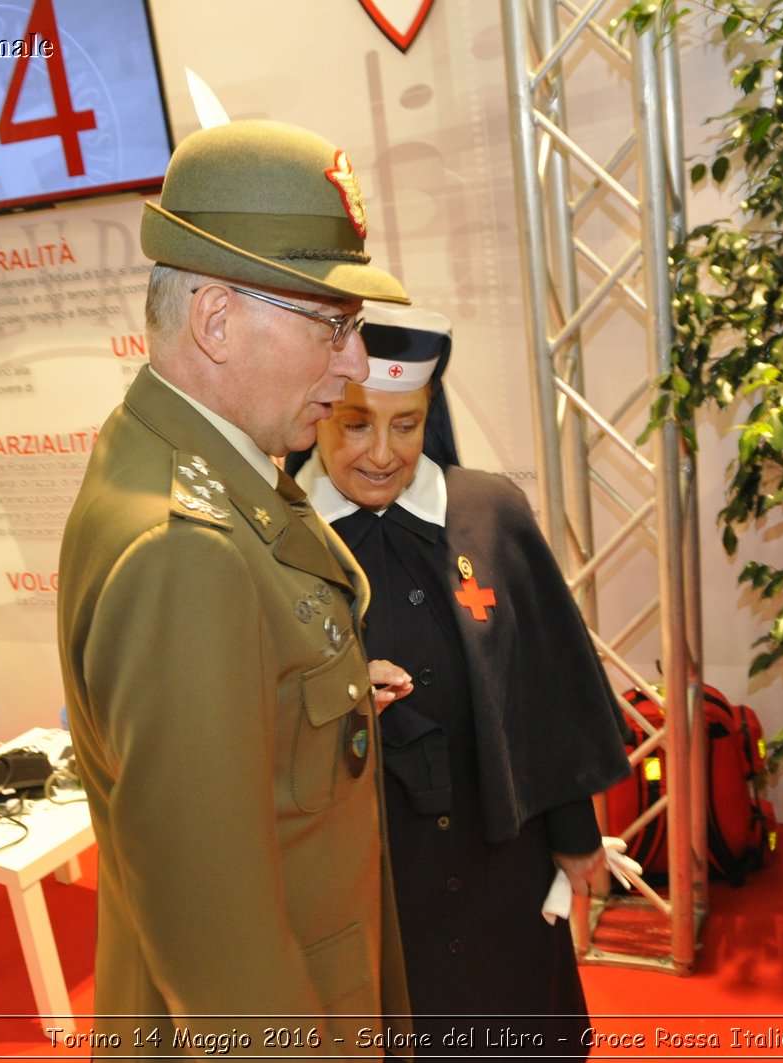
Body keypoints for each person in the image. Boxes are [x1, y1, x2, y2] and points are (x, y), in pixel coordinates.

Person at [57, 120, 416, 1056]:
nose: (353, 363)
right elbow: (220, 948)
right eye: (332, 325)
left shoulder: (186, 456)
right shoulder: (187, 551)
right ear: (216, 320)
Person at [289, 304, 630, 1057]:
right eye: (354, 425)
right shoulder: (281, 534)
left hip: (497, 859)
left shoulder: (488, 512)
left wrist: (577, 839)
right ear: (315, 414)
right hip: (365, 877)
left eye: (405, 425)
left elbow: (549, 690)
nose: (382, 453)